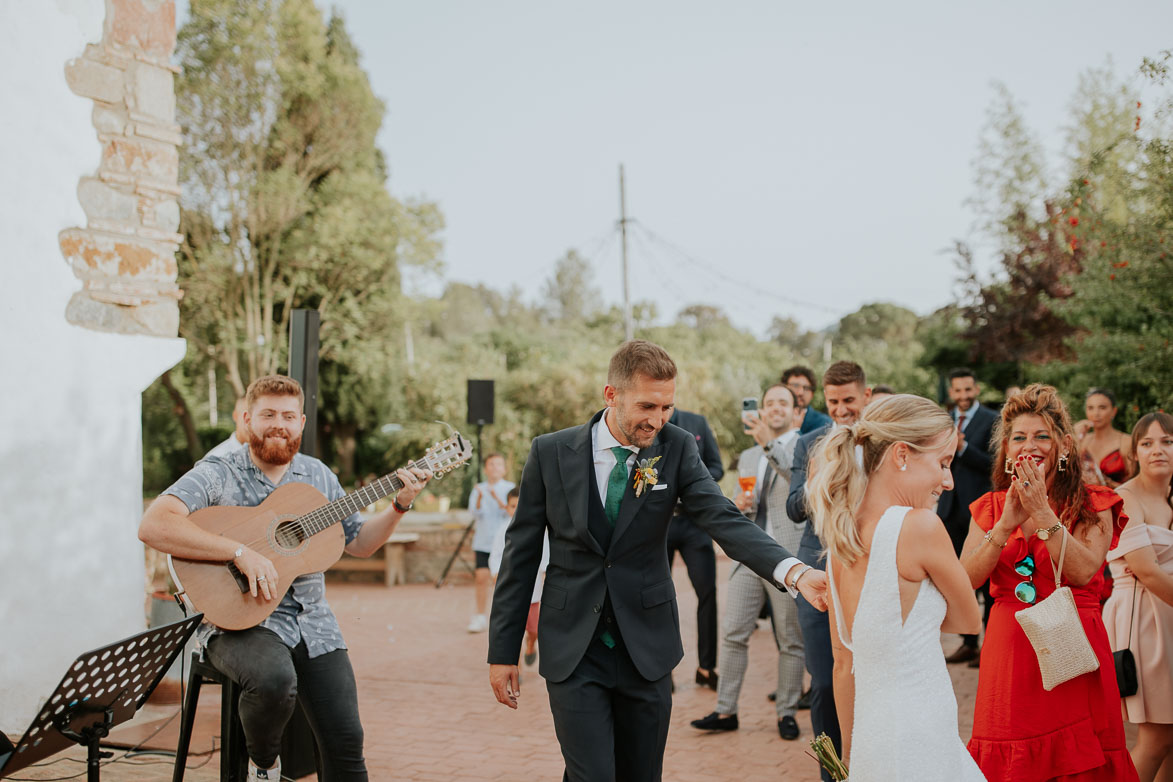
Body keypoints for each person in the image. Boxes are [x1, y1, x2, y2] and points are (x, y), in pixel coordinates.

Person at [487, 340, 828, 782]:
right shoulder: (550, 452)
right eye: (647, 405)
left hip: (646, 648)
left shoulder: (677, 447)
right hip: (573, 647)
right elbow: (522, 555)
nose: (658, 419)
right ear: (611, 395)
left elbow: (723, 518)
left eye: (667, 406)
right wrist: (502, 650)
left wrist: (794, 572)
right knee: (591, 774)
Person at [138, 375, 432, 781]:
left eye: (288, 416)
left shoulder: (318, 477)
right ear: (247, 418)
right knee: (275, 680)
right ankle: (264, 766)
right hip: (239, 622)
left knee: (347, 745)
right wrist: (239, 552)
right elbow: (154, 525)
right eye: (268, 414)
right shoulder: (219, 472)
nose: (279, 423)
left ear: (302, 422)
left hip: (313, 624)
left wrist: (400, 505)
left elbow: (360, 543)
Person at [960, 384, 1138, 782]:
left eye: (1042, 436)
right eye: (1019, 437)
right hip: (1010, 651)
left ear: (1065, 446)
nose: (1030, 445)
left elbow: (1083, 571)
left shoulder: (1095, 502)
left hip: (1074, 644)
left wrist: (1041, 512)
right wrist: (1005, 525)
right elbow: (966, 579)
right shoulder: (989, 508)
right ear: (1006, 450)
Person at [808, 394, 984, 778]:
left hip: (872, 739)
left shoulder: (840, 541)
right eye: (942, 463)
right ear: (901, 455)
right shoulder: (919, 525)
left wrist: (852, 752)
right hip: (921, 735)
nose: (949, 480)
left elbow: (843, 664)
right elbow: (968, 620)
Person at [691, 383, 805, 740]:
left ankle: (787, 712)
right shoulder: (748, 456)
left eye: (782, 403)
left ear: (796, 411)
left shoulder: (806, 447)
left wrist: (767, 443)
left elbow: (796, 484)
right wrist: (739, 502)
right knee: (733, 632)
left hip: (788, 557)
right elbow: (747, 496)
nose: (774, 408)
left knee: (789, 639)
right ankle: (726, 711)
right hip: (748, 556)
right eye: (769, 403)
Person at [786, 360, 871, 781]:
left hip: (871, 572)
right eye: (834, 402)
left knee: (867, 679)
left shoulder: (884, 442)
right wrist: (813, 482)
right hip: (818, 571)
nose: (841, 410)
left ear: (866, 397)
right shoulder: (809, 443)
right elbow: (792, 509)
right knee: (822, 683)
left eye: (849, 401)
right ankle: (833, 775)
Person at [1103, 412, 1173, 782]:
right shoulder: (1126, 498)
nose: (1157, 450)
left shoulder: (1171, 497)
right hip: (1143, 621)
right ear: (1135, 453)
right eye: (1147, 443)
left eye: (1167, 441)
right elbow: (1146, 570)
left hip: (1170, 620)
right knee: (1157, 737)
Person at [937, 367, 998, 666]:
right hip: (949, 509)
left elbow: (994, 464)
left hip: (980, 509)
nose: (963, 395)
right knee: (959, 577)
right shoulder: (944, 420)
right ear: (951, 392)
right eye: (957, 390)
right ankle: (968, 642)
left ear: (976, 389)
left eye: (967, 390)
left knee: (985, 578)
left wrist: (964, 447)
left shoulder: (991, 420)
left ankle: (990, 643)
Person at [665, 407, 724, 689]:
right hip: (658, 525)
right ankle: (663, 670)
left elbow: (717, 466)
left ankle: (706, 667)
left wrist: (688, 483)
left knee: (707, 592)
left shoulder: (697, 422)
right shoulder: (642, 425)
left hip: (693, 523)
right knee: (656, 595)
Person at [489, 487, 548, 667]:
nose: (516, 510)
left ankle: (531, 645)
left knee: (533, 630)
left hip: (534, 592)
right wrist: (496, 574)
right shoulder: (502, 531)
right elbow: (496, 555)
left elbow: (545, 555)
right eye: (513, 506)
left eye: (519, 505)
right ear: (507, 508)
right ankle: (516, 667)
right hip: (512, 590)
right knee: (513, 631)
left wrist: (546, 577)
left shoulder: (539, 529)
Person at [468, 453, 515, 633]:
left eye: (498, 464)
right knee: (481, 578)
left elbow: (511, 511)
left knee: (501, 581)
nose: (494, 468)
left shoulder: (510, 488)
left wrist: (496, 498)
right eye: (491, 464)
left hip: (504, 542)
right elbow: (475, 513)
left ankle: (502, 616)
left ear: (504, 469)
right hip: (483, 541)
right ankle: (479, 616)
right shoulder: (478, 488)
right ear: (485, 468)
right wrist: (480, 497)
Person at [1076, 388, 1134, 488]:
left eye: (1102, 408)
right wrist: (1074, 437)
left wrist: (1107, 483)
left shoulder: (1126, 442)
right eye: (1090, 408)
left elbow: (1136, 483)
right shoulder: (1082, 441)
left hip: (1120, 500)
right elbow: (1065, 472)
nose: (1096, 413)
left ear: (1114, 411)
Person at [782, 365, 832, 435]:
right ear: (783, 389)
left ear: (812, 394)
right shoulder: (774, 419)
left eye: (806, 388)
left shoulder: (825, 424)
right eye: (795, 385)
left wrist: (795, 431)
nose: (800, 392)